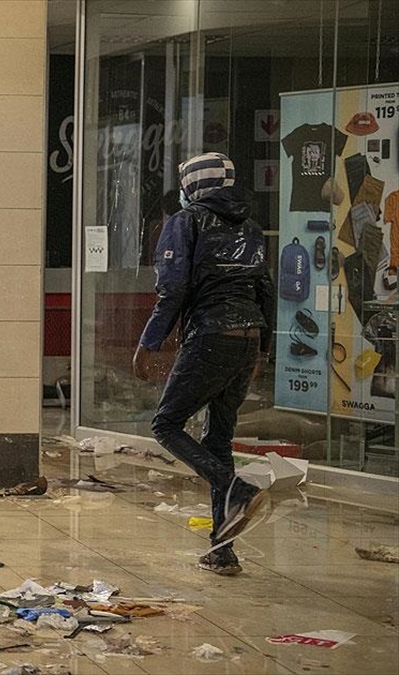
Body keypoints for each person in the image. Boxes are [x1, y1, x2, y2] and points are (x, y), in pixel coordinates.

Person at [133, 152, 275, 576]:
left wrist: (148, 342)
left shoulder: (186, 221)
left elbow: (172, 290)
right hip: (246, 336)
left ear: (192, 184)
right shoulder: (249, 226)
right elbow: (265, 290)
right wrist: (261, 350)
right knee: (218, 439)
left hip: (211, 335)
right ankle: (223, 549)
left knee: (166, 424)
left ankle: (236, 487)